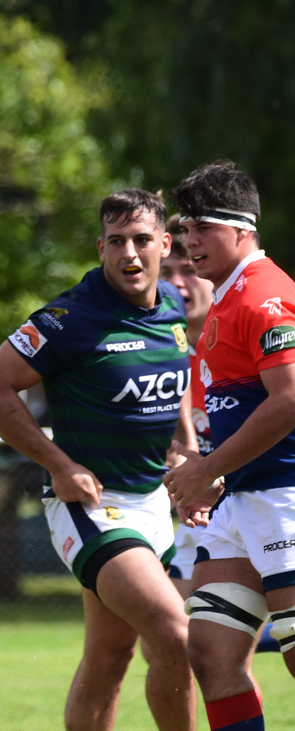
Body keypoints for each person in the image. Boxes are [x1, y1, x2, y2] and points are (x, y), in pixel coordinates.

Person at [0, 188, 232, 731]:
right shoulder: (68, 318)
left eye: (142, 240)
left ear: (166, 245)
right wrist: (57, 462)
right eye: (116, 242)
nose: (130, 253)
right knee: (174, 629)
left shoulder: (173, 307)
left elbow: (172, 389)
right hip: (90, 506)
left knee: (109, 656)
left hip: (152, 505)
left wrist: (188, 459)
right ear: (101, 249)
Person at [163, 161, 295, 731]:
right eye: (183, 228)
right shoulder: (226, 299)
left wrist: (209, 467)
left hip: (286, 501)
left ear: (243, 229)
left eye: (201, 227)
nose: (188, 242)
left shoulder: (266, 295)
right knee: (212, 651)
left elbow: (290, 400)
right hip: (244, 503)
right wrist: (215, 477)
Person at [160, 217, 217, 597]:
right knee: (166, 625)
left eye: (190, 269)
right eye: (167, 272)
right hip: (200, 517)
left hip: (267, 503)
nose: (178, 283)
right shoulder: (154, 353)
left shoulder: (249, 340)